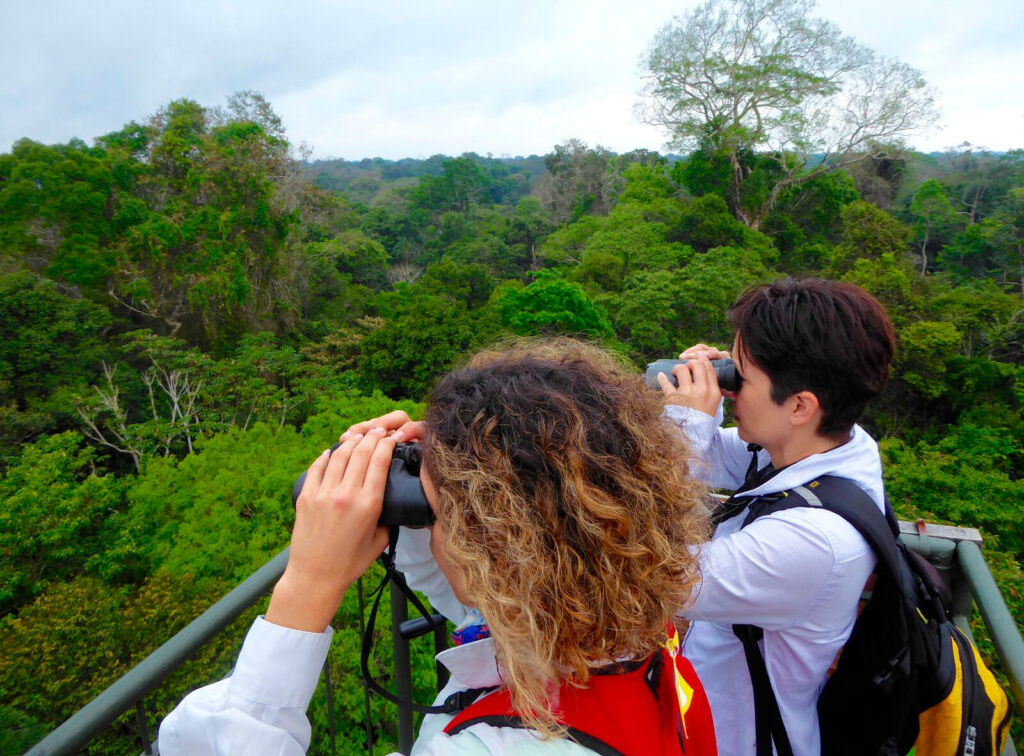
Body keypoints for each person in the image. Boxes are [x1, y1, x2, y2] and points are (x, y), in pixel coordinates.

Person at [158, 338, 717, 755]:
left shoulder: (486, 750)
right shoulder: (633, 633)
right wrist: (429, 490)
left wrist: (308, 585)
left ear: (500, 550)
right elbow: (478, 595)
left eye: (438, 515)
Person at [657, 278, 896, 756]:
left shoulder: (814, 541)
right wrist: (693, 398)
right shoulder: (824, 442)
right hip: (708, 713)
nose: (730, 387)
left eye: (738, 376)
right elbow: (700, 457)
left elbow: (653, 571)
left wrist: (686, 425)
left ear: (801, 406)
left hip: (739, 739)